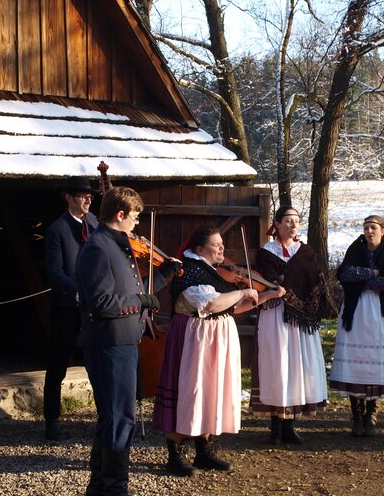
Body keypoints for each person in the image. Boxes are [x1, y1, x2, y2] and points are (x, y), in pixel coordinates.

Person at [153, 225, 285, 475]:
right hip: (195, 339)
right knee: (190, 391)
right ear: (200, 249)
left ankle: (204, 451)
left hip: (214, 339)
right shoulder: (188, 270)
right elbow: (211, 304)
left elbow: (229, 308)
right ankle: (175, 454)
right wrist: (244, 290)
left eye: (222, 243)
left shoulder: (211, 272)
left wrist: (265, 296)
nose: (222, 248)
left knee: (211, 391)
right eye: (216, 244)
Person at [76, 186, 179, 495]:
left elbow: (134, 289)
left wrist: (164, 277)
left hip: (121, 343)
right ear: (120, 215)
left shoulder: (117, 245)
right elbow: (102, 302)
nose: (137, 224)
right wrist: (141, 301)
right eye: (134, 217)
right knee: (120, 419)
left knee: (114, 417)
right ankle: (115, 487)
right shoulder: (97, 248)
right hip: (108, 343)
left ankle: (100, 486)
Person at [250, 206, 328, 445]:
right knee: (277, 364)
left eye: (296, 221)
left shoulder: (305, 251)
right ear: (277, 224)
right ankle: (275, 426)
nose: (293, 225)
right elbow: (268, 278)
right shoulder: (267, 251)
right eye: (288, 221)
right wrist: (288, 280)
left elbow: (315, 279)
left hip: (299, 318)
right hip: (275, 315)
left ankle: (289, 425)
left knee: (295, 367)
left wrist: (287, 280)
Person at [330, 215, 384, 437]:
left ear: (383, 230)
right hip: (355, 310)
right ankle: (357, 414)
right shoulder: (355, 248)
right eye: (366, 228)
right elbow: (344, 274)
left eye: (373, 228)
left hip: (379, 310)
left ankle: (372, 414)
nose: (369, 231)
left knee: (375, 361)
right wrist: (373, 273)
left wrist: (361, 279)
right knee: (356, 361)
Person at [43, 176, 99, 441]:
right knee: (58, 362)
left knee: (97, 361)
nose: (88, 199)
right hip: (67, 305)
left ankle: (105, 417)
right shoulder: (57, 229)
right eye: (82, 195)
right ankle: (52, 420)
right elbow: (54, 272)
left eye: (90, 196)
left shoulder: (96, 224)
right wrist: (79, 291)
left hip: (94, 304)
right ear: (68, 197)